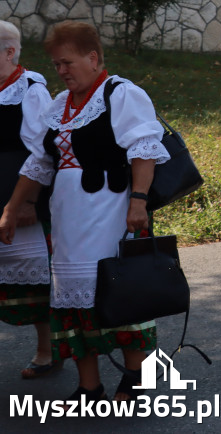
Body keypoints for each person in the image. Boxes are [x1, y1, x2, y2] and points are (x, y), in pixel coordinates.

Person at [0, 21, 169, 401]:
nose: (61, 71)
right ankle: (88, 385)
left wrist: (138, 202)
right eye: (56, 64)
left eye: (67, 63)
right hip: (68, 216)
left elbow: (143, 148)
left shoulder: (120, 93)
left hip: (110, 211)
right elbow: (40, 164)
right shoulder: (60, 105)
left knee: (118, 289)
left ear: (92, 58)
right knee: (70, 293)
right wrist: (12, 209)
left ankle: (135, 376)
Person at [0, 21, 55, 380]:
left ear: (9, 52)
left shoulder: (31, 90)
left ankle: (47, 350)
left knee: (36, 282)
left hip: (16, 195)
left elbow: (43, 152)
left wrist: (28, 203)